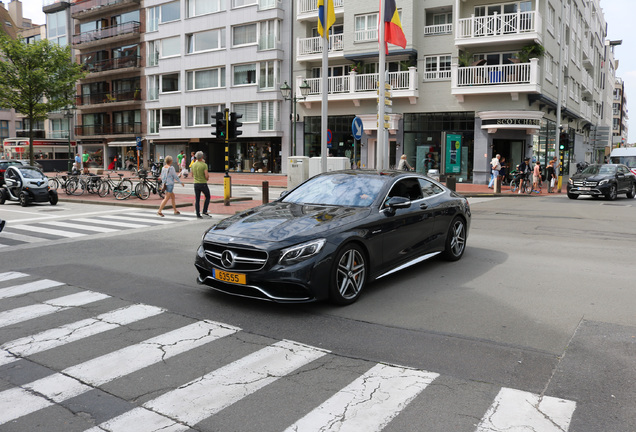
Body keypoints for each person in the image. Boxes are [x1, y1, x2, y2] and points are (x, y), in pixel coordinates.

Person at [191, 151, 211, 218]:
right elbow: (206, 175)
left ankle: (197, 213)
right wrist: (207, 177)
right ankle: (204, 211)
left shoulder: (193, 165)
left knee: (197, 198)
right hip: (203, 183)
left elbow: (192, 175)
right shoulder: (204, 165)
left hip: (196, 183)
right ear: (202, 157)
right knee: (207, 196)